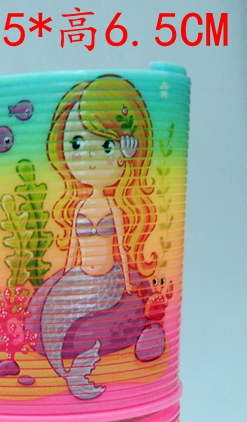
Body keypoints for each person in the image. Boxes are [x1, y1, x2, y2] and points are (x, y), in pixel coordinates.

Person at [25, 75, 160, 400]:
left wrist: (127, 282)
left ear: (126, 151)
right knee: (51, 316)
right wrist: (65, 275)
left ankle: (77, 370)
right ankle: (67, 373)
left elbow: (122, 248)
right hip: (81, 274)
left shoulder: (113, 207)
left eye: (105, 145)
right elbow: (73, 247)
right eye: (76, 144)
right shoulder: (80, 207)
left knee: (69, 316)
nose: (88, 156)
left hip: (107, 278)